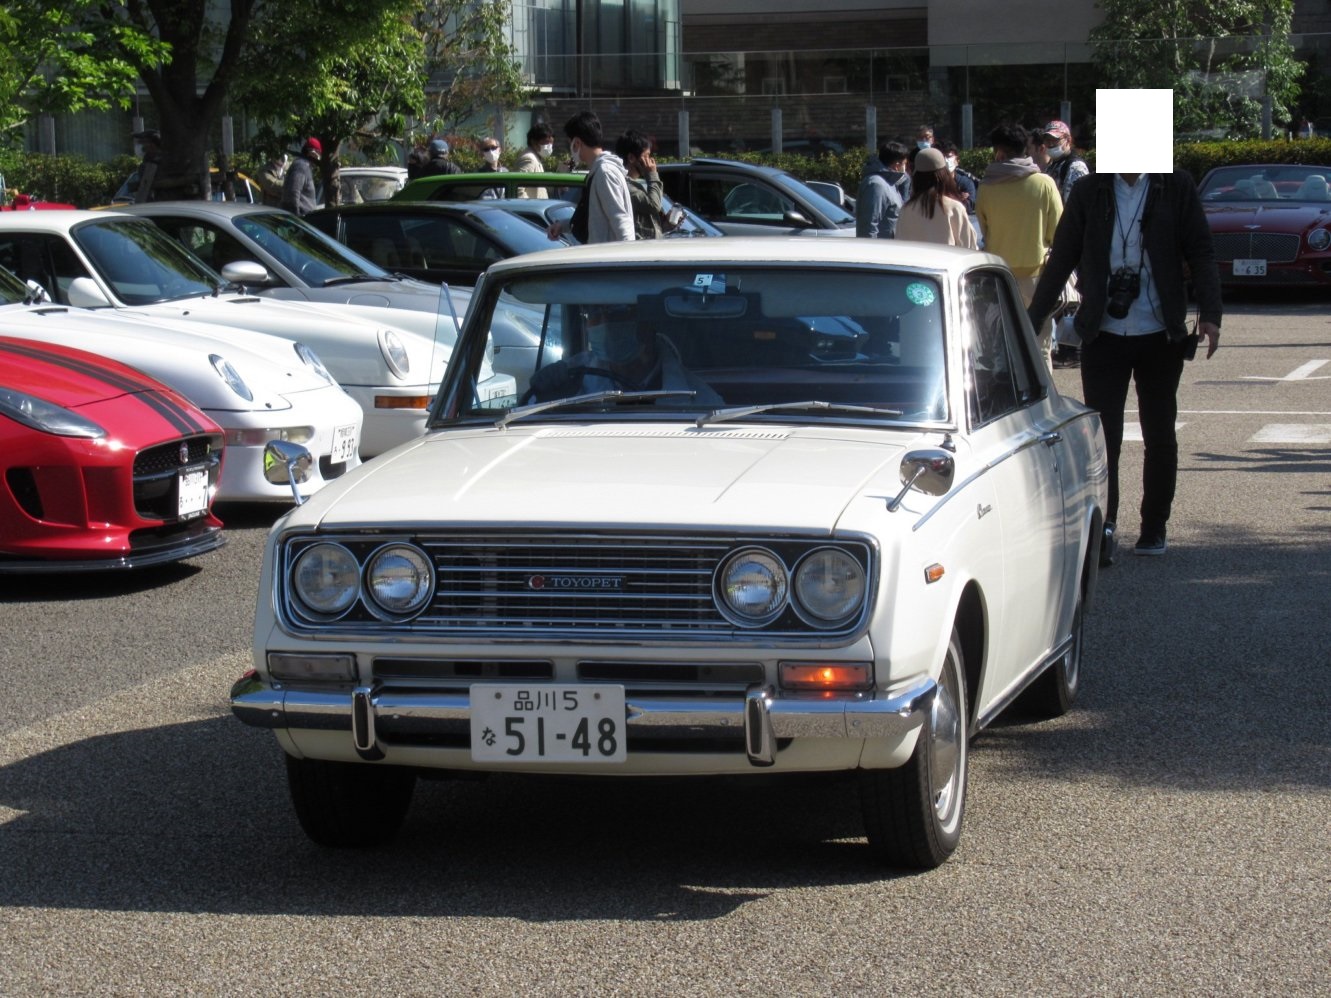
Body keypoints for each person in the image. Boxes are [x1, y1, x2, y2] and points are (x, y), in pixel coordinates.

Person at [1027, 170, 1222, 562]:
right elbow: (1062, 256)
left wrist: (1210, 313)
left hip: (1161, 331)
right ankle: (1104, 529)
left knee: (1160, 432)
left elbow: (1201, 249)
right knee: (1103, 438)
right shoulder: (1089, 190)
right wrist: (1030, 323)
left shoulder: (1176, 187)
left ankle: (1154, 527)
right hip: (1103, 332)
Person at [976, 123, 1062, 370]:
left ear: (999, 152)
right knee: (1041, 346)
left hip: (1000, 277)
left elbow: (985, 231)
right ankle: (1045, 403)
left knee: (1004, 346)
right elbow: (1058, 231)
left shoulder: (986, 187)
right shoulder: (1044, 183)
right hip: (1038, 278)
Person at [527, 313, 722, 405]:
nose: (604, 326)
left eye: (614, 314)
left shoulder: (700, 399)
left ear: (646, 326)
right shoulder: (570, 377)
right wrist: (549, 403)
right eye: (595, 314)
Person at [1040, 120, 1091, 369]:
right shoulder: (1054, 167)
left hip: (1075, 237)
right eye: (1047, 141)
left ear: (1068, 140)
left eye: (1055, 141)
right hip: (1059, 237)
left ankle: (1074, 349)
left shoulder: (1075, 167)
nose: (1050, 145)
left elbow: (1075, 205)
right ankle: (1066, 347)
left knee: (1073, 296)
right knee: (1063, 297)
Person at [548, 111, 635, 243]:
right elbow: (593, 219)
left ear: (577, 143)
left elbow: (620, 219)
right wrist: (562, 226)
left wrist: (629, 258)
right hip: (601, 257)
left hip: (608, 260)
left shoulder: (605, 172)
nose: (570, 150)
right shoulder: (599, 171)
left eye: (569, 144)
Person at [895, 147, 978, 249]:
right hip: (947, 264)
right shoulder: (954, 208)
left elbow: (900, 247)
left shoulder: (906, 210)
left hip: (915, 264)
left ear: (916, 176)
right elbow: (969, 247)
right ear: (944, 175)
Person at [856, 140, 912, 239]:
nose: (905, 168)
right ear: (897, 164)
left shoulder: (890, 183)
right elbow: (869, 224)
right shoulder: (876, 185)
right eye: (905, 163)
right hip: (881, 250)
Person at [615, 130, 664, 240]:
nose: (650, 161)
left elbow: (645, 226)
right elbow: (654, 205)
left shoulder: (637, 185)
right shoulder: (626, 187)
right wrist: (652, 174)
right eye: (646, 156)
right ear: (631, 158)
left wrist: (666, 225)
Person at [280, 137, 321, 216]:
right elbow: (294, 192)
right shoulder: (301, 166)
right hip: (302, 218)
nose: (319, 157)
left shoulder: (305, 166)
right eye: (319, 153)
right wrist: (297, 217)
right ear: (312, 153)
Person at [514, 123, 555, 198]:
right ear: (534, 142)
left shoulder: (536, 157)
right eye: (546, 143)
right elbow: (518, 189)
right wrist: (529, 207)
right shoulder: (528, 159)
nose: (549, 146)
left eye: (551, 143)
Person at [131, 129, 162, 204]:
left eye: (142, 142)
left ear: (152, 144)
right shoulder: (147, 159)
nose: (139, 145)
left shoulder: (160, 162)